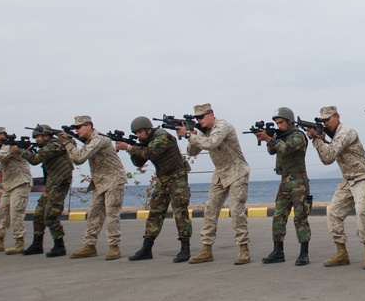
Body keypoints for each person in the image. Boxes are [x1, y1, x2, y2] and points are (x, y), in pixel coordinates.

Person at [178, 103, 251, 265]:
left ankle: (244, 249)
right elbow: (192, 152)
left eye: (201, 117)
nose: (199, 120)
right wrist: (192, 135)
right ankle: (206, 249)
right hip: (220, 173)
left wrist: (189, 135)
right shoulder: (205, 131)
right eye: (197, 118)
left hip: (237, 172)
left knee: (236, 211)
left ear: (211, 114)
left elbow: (212, 143)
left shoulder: (222, 126)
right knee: (210, 209)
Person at [115, 116, 192, 262]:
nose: (138, 135)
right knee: (155, 212)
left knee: (180, 211)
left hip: (177, 177)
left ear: (148, 129)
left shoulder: (162, 137)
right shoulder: (148, 141)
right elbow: (139, 161)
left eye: (140, 132)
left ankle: (185, 248)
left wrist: (129, 147)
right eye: (136, 133)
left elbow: (150, 153)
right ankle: (147, 248)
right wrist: (132, 148)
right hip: (163, 179)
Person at [308, 106, 365, 269]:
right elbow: (327, 158)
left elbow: (329, 156)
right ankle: (341, 253)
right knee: (333, 212)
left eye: (328, 119)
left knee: (361, 212)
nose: (326, 123)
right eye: (323, 121)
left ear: (337, 116)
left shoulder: (345, 132)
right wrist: (319, 139)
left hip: (363, 177)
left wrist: (317, 139)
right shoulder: (334, 136)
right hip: (348, 179)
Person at [65, 115, 127, 261]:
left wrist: (68, 144)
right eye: (74, 128)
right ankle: (89, 245)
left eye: (78, 127)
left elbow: (80, 158)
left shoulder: (99, 139)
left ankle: (114, 246)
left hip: (113, 180)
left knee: (112, 214)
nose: (77, 130)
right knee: (93, 214)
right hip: (100, 183)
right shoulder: (89, 141)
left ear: (89, 126)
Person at [254, 107, 311, 266]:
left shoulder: (298, 136)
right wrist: (270, 137)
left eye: (281, 122)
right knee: (278, 215)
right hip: (285, 180)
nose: (279, 126)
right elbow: (272, 151)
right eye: (277, 123)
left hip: (299, 180)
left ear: (289, 121)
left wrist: (269, 138)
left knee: (300, 217)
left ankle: (304, 253)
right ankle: (278, 251)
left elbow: (286, 149)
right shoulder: (281, 136)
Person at [21, 124, 74, 257]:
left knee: (50, 215)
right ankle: (37, 244)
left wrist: (21, 151)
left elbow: (35, 160)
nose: (37, 139)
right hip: (52, 184)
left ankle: (59, 245)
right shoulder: (47, 146)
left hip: (59, 183)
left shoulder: (54, 145)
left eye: (39, 136)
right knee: (39, 213)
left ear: (46, 136)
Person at [0, 127, 32, 255]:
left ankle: (19, 242)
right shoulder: (3, 149)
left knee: (16, 214)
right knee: (1, 213)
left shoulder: (9, 147)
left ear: (2, 136)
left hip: (21, 182)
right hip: (9, 185)